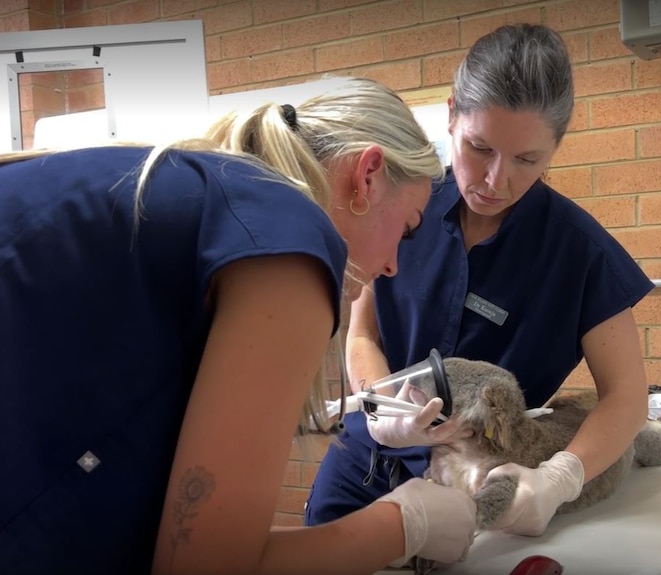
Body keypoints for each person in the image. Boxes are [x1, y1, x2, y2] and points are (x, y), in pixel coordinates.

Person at [0, 77, 477, 575]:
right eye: (407, 228)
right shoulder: (289, 237)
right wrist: (404, 524)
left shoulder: (205, 192)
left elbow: (189, 539)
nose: (394, 265)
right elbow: (204, 566)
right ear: (368, 176)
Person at [305, 23, 655, 538]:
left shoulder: (580, 253)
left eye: (526, 159)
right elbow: (363, 336)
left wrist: (563, 476)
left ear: (556, 146)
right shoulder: (403, 205)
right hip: (369, 458)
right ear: (451, 116)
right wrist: (382, 404)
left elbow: (627, 396)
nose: (496, 180)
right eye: (479, 148)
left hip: (479, 482)